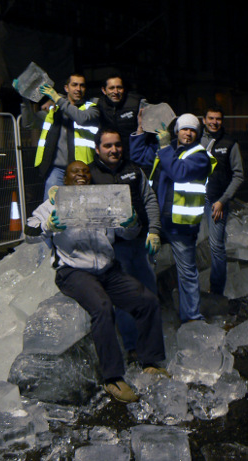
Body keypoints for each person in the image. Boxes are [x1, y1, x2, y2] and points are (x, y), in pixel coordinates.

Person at [24, 161, 167, 403]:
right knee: (102, 307)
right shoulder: (54, 203)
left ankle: (150, 362)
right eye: (75, 172)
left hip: (108, 270)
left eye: (85, 171)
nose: (81, 175)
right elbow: (29, 231)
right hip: (73, 272)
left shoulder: (104, 201)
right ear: (66, 179)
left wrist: (131, 223)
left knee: (147, 300)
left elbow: (127, 233)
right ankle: (113, 378)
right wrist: (47, 226)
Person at [130, 113, 216, 322]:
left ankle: (192, 317)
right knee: (146, 266)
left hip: (181, 227)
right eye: (184, 129)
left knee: (187, 274)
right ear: (177, 131)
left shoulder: (200, 156)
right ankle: (149, 312)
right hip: (158, 223)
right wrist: (140, 130)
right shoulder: (166, 150)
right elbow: (138, 156)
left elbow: (179, 172)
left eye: (192, 130)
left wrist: (166, 147)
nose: (188, 133)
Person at [88, 127, 161, 361]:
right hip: (111, 249)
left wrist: (155, 231)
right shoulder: (89, 175)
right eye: (108, 146)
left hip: (139, 243)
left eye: (117, 145)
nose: (114, 150)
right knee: (124, 300)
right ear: (97, 149)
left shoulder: (134, 170)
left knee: (149, 294)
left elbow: (150, 200)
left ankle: (152, 350)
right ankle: (132, 347)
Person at [19, 73, 100, 200]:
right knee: (50, 209)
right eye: (74, 85)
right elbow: (29, 123)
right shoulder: (53, 110)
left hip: (82, 171)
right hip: (57, 170)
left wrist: (57, 98)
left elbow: (81, 118)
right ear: (66, 88)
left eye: (82, 85)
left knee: (83, 206)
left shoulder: (91, 108)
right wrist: (25, 100)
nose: (78, 89)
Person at [200, 105, 244, 296]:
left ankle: (216, 291)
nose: (214, 122)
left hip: (217, 201)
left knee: (216, 246)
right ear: (204, 120)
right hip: (195, 200)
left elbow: (238, 175)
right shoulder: (196, 140)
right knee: (192, 243)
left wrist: (222, 201)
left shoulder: (230, 143)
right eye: (210, 118)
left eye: (218, 119)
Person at [96, 74, 144, 159]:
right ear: (104, 90)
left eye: (119, 87)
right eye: (111, 88)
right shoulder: (100, 105)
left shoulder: (136, 102)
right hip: (114, 154)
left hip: (136, 153)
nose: (116, 91)